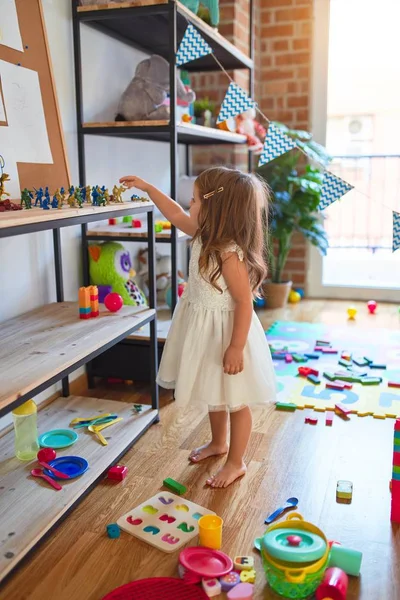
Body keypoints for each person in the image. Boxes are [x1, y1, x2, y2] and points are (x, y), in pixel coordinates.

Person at [119, 167, 276, 488]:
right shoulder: (203, 233)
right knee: (212, 391)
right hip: (204, 328)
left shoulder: (228, 252)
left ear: (215, 207)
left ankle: (237, 461)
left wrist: (235, 347)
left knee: (235, 399)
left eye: (194, 199)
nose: (188, 205)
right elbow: (174, 213)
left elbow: (245, 303)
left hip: (229, 334)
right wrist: (149, 187)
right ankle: (219, 443)